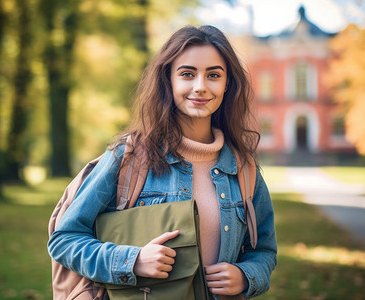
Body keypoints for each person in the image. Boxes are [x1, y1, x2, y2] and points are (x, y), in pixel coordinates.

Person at [48, 25, 277, 299]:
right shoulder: (128, 158)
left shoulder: (243, 168)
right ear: (168, 79)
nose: (200, 86)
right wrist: (131, 261)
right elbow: (64, 239)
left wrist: (246, 276)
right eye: (187, 74)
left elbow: (264, 251)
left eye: (213, 75)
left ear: (227, 84)